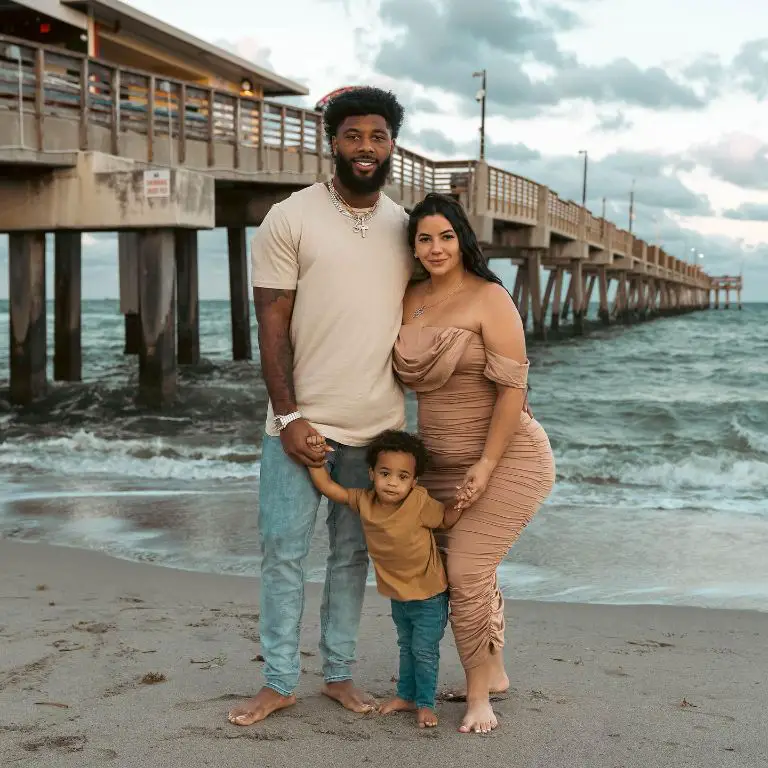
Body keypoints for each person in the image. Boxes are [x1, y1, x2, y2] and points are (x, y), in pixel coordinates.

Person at [228, 87, 412, 727]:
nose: (366, 148)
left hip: (379, 432)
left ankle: (336, 674)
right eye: (354, 135)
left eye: (379, 136)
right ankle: (279, 680)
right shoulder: (290, 217)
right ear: (332, 141)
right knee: (282, 554)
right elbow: (271, 325)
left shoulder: (403, 225)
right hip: (300, 428)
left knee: (352, 558)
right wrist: (289, 418)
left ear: (392, 145)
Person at [393, 193, 556, 735]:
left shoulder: (490, 299)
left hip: (506, 456)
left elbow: (514, 389)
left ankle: (479, 695)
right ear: (413, 247)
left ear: (462, 239)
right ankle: (498, 670)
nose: (435, 247)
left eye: (445, 236)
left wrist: (486, 464)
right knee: (466, 569)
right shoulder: (408, 297)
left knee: (465, 570)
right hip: (437, 465)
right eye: (424, 238)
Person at [308, 430, 462, 728]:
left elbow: (445, 519)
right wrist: (317, 460)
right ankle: (406, 696)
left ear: (414, 482)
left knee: (423, 650)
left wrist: (462, 499)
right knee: (406, 646)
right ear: (371, 474)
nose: (393, 482)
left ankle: (426, 703)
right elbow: (329, 488)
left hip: (430, 594)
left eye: (403, 476)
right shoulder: (365, 501)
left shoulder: (418, 501)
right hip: (398, 596)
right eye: (385, 473)